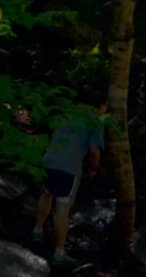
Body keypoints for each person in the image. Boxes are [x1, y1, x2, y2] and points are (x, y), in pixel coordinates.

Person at [34, 99, 105, 262]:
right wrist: (94, 169)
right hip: (70, 166)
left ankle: (37, 230)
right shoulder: (95, 120)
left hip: (50, 160)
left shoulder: (66, 112)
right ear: (101, 105)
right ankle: (59, 252)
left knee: (46, 194)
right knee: (63, 207)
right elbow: (94, 151)